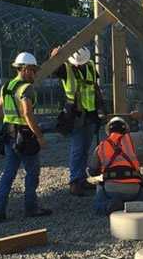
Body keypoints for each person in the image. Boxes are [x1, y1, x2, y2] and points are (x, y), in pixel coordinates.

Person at [0, 52, 52, 222]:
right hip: (25, 136)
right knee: (32, 172)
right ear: (25, 69)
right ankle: (31, 208)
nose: (35, 74)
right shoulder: (26, 89)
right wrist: (39, 136)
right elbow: (27, 113)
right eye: (33, 70)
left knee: (8, 174)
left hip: (9, 134)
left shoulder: (6, 87)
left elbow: (0, 104)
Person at [50, 46, 106, 196]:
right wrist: (54, 57)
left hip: (90, 113)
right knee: (77, 148)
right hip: (75, 114)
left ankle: (81, 179)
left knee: (85, 148)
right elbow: (53, 68)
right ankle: (75, 181)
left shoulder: (90, 65)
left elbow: (95, 87)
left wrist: (101, 108)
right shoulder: (66, 68)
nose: (79, 65)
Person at [87, 114, 143, 216]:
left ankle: (108, 206)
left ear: (108, 131)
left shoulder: (101, 146)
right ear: (126, 129)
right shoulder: (132, 138)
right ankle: (137, 205)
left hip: (111, 189)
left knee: (98, 196)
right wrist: (139, 119)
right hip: (133, 189)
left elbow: (91, 170)